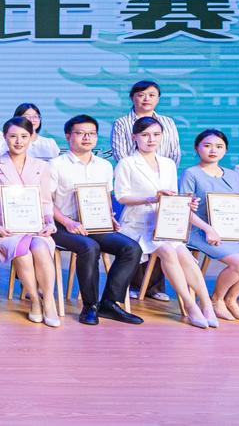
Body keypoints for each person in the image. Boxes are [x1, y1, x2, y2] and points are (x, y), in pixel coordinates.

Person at [114, 117, 215, 328]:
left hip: (165, 222)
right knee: (168, 250)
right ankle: (190, 305)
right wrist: (152, 198)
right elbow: (122, 197)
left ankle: (206, 304)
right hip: (137, 224)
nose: (151, 139)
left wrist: (186, 203)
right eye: (145, 135)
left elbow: (172, 197)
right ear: (134, 137)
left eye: (156, 135)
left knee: (183, 253)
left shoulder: (168, 164)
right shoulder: (127, 163)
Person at [47, 115, 145, 326]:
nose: (86, 138)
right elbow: (46, 201)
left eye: (91, 134)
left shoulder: (104, 165)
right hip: (62, 225)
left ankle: (109, 303)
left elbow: (105, 197)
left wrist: (109, 217)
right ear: (68, 136)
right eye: (80, 133)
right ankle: (90, 306)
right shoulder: (55, 165)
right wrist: (68, 222)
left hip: (95, 224)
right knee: (89, 247)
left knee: (131, 248)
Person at [179, 129, 239, 323]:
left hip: (230, 231)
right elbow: (184, 209)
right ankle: (216, 301)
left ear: (225, 150)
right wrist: (209, 229)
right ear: (197, 148)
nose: (213, 150)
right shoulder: (191, 173)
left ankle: (230, 299)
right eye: (207, 146)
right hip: (200, 230)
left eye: (219, 146)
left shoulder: (233, 175)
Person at [0, 117, 60, 327]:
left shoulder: (42, 166)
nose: (18, 141)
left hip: (36, 227)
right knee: (23, 253)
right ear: (4, 137)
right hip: (7, 229)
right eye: (13, 136)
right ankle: (34, 300)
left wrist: (50, 222)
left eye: (24, 136)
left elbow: (46, 200)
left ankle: (49, 301)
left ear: (31, 138)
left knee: (40, 248)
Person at [110, 80, 182, 164]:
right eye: (141, 95)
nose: (147, 99)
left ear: (158, 99)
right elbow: (119, 154)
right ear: (132, 98)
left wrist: (167, 169)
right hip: (132, 171)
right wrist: (134, 170)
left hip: (163, 171)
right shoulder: (121, 123)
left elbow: (175, 152)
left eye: (151, 95)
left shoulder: (168, 122)